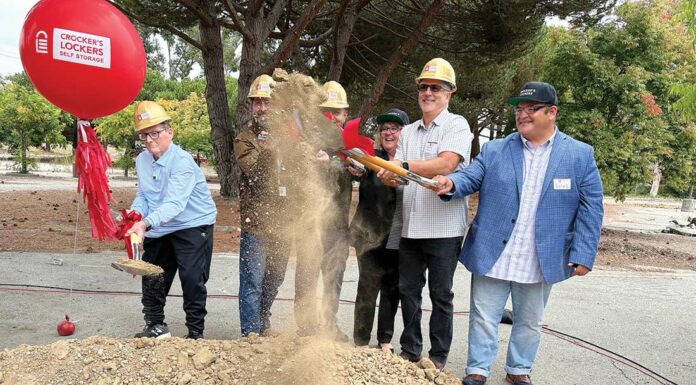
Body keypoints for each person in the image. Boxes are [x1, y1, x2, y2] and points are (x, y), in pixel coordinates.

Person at [431, 82, 604, 385]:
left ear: (552, 112)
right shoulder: (496, 149)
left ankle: (519, 369)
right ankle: (478, 370)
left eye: (531, 108)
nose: (522, 114)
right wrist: (451, 183)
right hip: (493, 249)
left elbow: (591, 208)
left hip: (541, 255)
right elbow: (470, 176)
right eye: (519, 109)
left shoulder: (579, 155)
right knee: (483, 316)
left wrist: (584, 253)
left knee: (529, 320)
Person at [378, 58, 473, 369]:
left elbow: (447, 163)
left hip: (444, 229)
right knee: (408, 292)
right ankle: (411, 350)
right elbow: (401, 174)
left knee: (441, 295)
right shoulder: (409, 132)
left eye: (436, 87)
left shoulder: (456, 125)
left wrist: (402, 168)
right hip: (411, 228)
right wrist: (390, 175)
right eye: (423, 87)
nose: (428, 92)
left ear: (449, 94)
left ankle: (438, 357)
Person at [127, 101, 217, 340]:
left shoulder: (183, 161)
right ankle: (155, 325)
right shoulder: (142, 161)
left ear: (170, 132)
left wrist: (145, 223)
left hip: (192, 223)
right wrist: (135, 215)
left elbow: (175, 204)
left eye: (155, 132)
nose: (149, 139)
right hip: (160, 224)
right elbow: (145, 194)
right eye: (143, 134)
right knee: (152, 273)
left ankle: (195, 332)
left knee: (192, 278)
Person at [293, 80, 352, 341]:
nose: (331, 118)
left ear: (344, 114)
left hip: (337, 223)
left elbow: (352, 165)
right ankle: (305, 327)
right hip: (308, 221)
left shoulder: (347, 142)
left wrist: (332, 160)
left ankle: (329, 325)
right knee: (306, 273)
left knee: (333, 276)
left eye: (335, 112)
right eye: (325, 112)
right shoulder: (304, 138)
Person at [233, 74, 291, 337]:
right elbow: (257, 177)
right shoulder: (244, 140)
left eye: (267, 101)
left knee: (275, 278)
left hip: (284, 224)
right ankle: (251, 334)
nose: (262, 107)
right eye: (256, 102)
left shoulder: (289, 137)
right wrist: (269, 152)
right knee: (253, 280)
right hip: (256, 223)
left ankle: (263, 320)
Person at [349, 108, 409, 351]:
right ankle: (361, 342)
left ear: (404, 132)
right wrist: (356, 167)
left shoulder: (412, 161)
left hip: (400, 236)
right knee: (367, 287)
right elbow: (356, 165)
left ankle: (385, 340)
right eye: (384, 128)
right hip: (369, 235)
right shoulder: (370, 158)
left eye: (394, 128)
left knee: (392, 290)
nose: (388, 132)